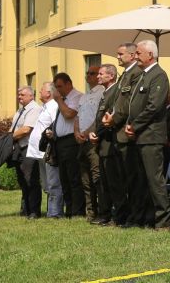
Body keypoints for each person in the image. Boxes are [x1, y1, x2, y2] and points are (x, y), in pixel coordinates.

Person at [123, 40, 170, 231]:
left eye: (138, 53)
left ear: (150, 55)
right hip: (141, 136)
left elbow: (153, 106)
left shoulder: (158, 75)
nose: (135, 56)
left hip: (151, 136)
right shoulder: (143, 76)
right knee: (142, 180)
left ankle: (163, 221)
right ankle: (148, 218)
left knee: (155, 180)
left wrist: (134, 125)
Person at [104, 43, 144, 227]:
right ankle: (125, 215)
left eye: (120, 54)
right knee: (122, 178)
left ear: (132, 55)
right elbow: (117, 102)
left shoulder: (136, 73)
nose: (117, 57)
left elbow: (129, 104)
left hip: (126, 132)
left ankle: (136, 217)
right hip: (117, 132)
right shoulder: (125, 75)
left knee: (133, 179)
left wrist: (114, 118)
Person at [46, 72, 84, 218]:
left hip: (71, 142)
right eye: (56, 87)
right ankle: (69, 210)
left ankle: (77, 211)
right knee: (64, 179)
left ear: (69, 83)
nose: (58, 90)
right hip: (60, 142)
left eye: (60, 86)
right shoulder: (62, 99)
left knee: (74, 177)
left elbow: (69, 114)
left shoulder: (76, 97)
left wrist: (59, 101)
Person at [89, 63, 121, 225]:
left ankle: (118, 215)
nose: (98, 76)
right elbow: (99, 118)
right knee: (104, 182)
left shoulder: (115, 92)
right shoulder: (105, 93)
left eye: (101, 74)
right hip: (101, 143)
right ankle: (105, 214)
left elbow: (110, 117)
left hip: (110, 142)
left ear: (111, 76)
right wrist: (93, 132)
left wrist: (98, 133)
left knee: (114, 182)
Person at [27, 82, 63, 218]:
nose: (39, 92)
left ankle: (54, 212)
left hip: (47, 150)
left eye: (42, 89)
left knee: (53, 182)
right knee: (46, 183)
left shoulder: (53, 107)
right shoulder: (44, 107)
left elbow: (54, 125)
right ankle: (51, 210)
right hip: (39, 151)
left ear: (49, 93)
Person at [75, 65, 104, 222]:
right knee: (85, 179)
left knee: (96, 176)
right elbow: (78, 117)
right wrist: (76, 133)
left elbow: (99, 117)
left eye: (93, 73)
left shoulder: (102, 93)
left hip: (93, 140)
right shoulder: (84, 96)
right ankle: (90, 212)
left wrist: (86, 132)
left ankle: (102, 211)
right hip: (82, 141)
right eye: (87, 73)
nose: (89, 76)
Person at [11, 85, 43, 219]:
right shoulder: (20, 110)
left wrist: (9, 138)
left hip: (29, 149)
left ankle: (34, 211)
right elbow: (13, 128)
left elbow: (26, 129)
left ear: (31, 95)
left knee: (31, 180)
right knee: (22, 180)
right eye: (19, 95)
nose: (19, 97)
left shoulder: (34, 109)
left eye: (22, 95)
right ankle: (26, 209)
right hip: (19, 148)